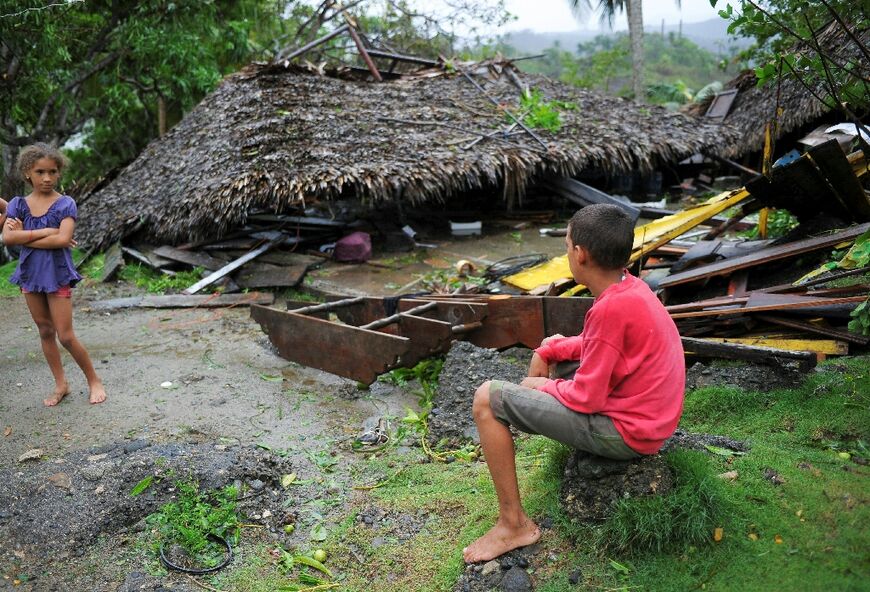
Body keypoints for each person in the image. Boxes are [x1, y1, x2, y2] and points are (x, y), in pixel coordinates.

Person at [463, 204, 685, 563]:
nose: (566, 252)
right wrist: (551, 347)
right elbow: (598, 343)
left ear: (580, 255)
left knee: (486, 399)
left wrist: (541, 388)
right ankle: (528, 420)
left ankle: (513, 524)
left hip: (629, 432)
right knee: (557, 358)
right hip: (648, 419)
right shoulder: (631, 287)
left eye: (566, 246)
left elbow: (587, 397)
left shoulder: (611, 307)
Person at [2, 143, 106, 406]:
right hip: (29, 275)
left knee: (66, 334)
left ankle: (94, 380)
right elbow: (8, 238)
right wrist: (45, 232)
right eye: (40, 172)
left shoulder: (65, 204)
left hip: (57, 274)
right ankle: (61, 384)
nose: (47, 178)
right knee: (45, 331)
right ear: (28, 172)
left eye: (52, 172)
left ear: (59, 173)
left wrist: (26, 237)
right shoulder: (18, 204)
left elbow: (63, 239)